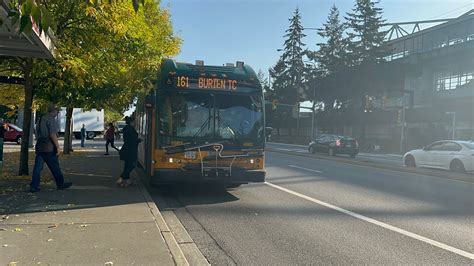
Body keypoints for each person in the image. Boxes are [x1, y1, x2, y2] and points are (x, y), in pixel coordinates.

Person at [30, 104, 72, 193]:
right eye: (57, 111)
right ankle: (60, 183)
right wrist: (57, 146)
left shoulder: (41, 118)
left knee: (37, 168)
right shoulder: (51, 119)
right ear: (54, 111)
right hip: (49, 147)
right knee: (55, 166)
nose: (57, 113)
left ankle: (34, 185)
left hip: (40, 146)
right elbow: (52, 134)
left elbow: (37, 133)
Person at [117, 116, 140, 187]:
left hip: (126, 149)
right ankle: (121, 178)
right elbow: (132, 140)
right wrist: (138, 140)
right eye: (134, 121)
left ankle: (127, 181)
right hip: (131, 150)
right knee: (132, 165)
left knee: (127, 165)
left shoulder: (126, 128)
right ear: (131, 122)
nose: (136, 123)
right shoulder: (131, 129)